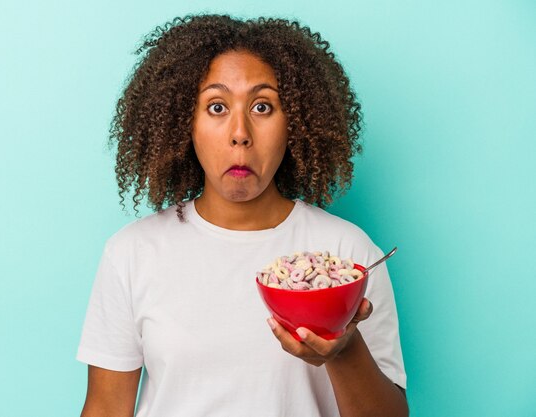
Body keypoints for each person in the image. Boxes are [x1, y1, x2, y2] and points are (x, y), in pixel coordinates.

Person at [77, 14, 408, 417]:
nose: (240, 132)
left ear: (295, 124)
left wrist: (344, 348)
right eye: (216, 107)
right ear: (186, 124)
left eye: (263, 107)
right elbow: (106, 408)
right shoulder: (131, 253)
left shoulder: (347, 254)